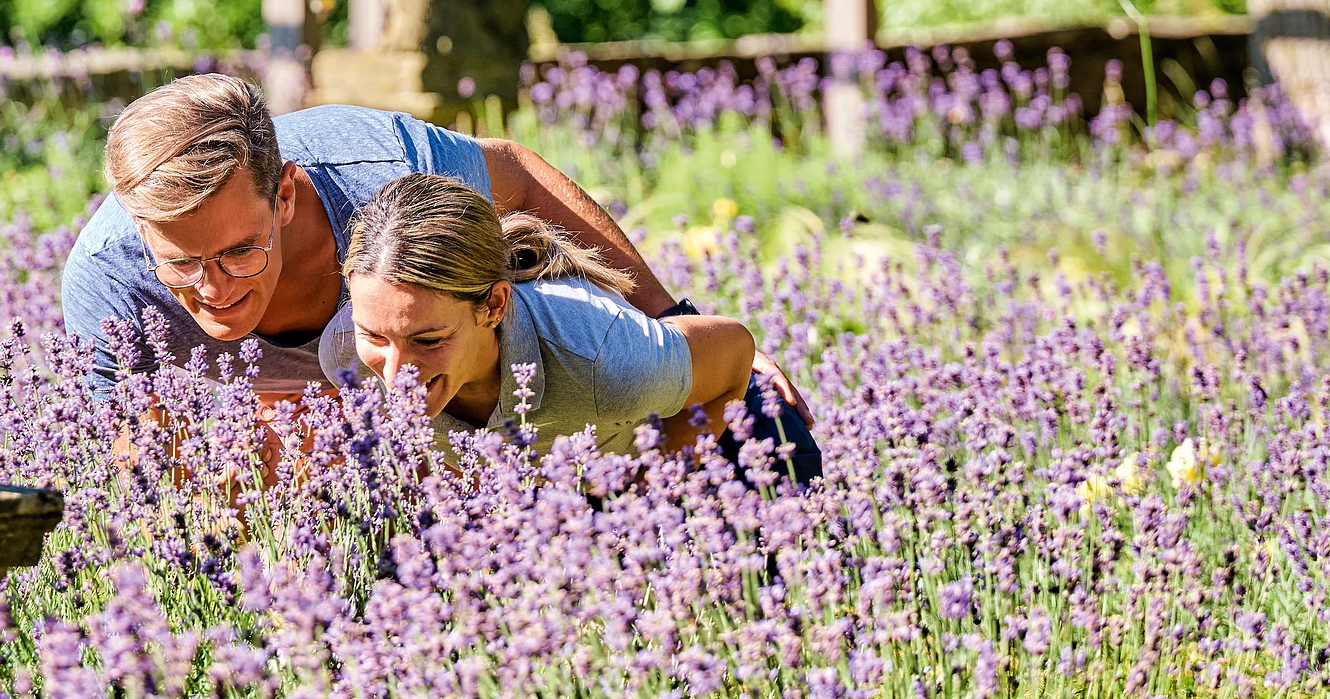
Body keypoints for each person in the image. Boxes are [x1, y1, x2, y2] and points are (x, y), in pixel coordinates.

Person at [60, 73, 809, 429]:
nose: (214, 288)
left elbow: (514, 173)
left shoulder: (385, 171)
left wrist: (675, 323)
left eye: (239, 253)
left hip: (539, 390)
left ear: (285, 195)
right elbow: (135, 460)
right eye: (181, 264)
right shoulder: (108, 281)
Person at [320, 174, 820, 481]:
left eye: (428, 340)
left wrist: (649, 491)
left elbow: (734, 352)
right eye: (376, 337)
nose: (396, 371)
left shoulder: (604, 359)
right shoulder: (346, 358)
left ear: (494, 305)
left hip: (744, 451)